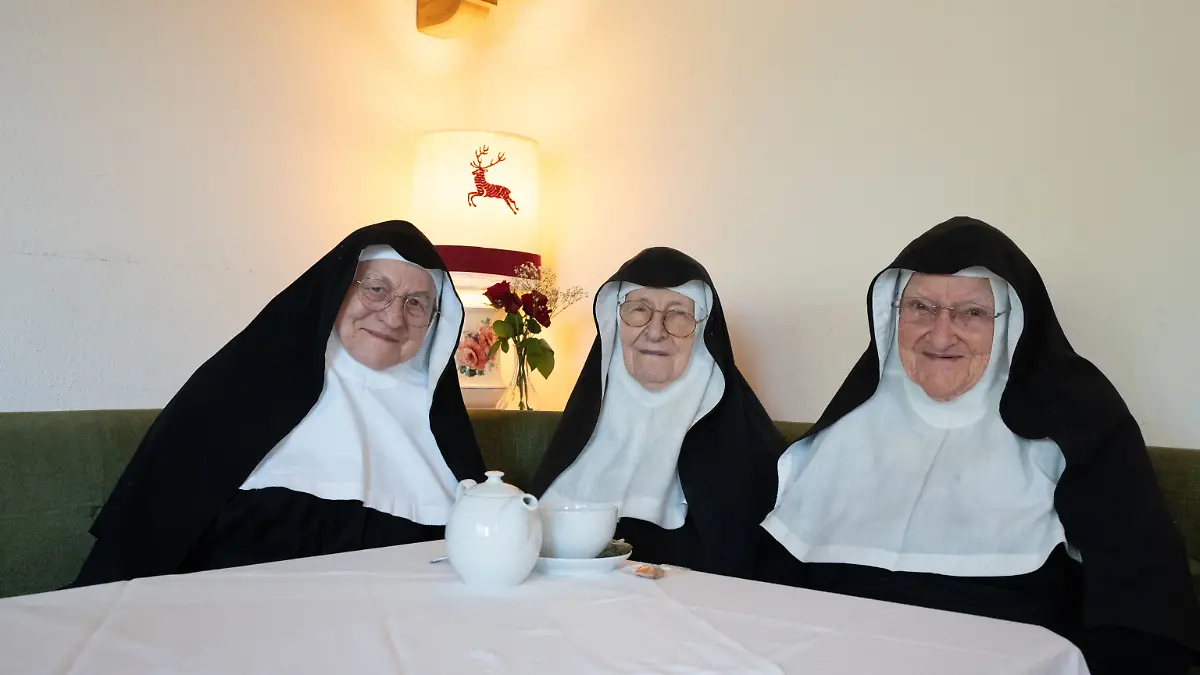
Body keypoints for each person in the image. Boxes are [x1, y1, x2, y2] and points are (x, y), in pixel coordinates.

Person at [760, 216, 1199, 673]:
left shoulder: (1080, 422)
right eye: (921, 308)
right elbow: (773, 592)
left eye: (972, 313)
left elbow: (1141, 607)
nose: (941, 334)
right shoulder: (845, 432)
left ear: (1012, 324)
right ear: (892, 318)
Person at [73, 220, 485, 585]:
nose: (394, 317)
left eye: (417, 304)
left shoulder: (441, 431)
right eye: (377, 289)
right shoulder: (242, 386)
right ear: (339, 287)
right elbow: (147, 537)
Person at [531, 247, 784, 577]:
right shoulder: (584, 424)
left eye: (678, 314)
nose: (655, 331)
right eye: (638, 310)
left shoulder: (744, 441)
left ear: (703, 329)